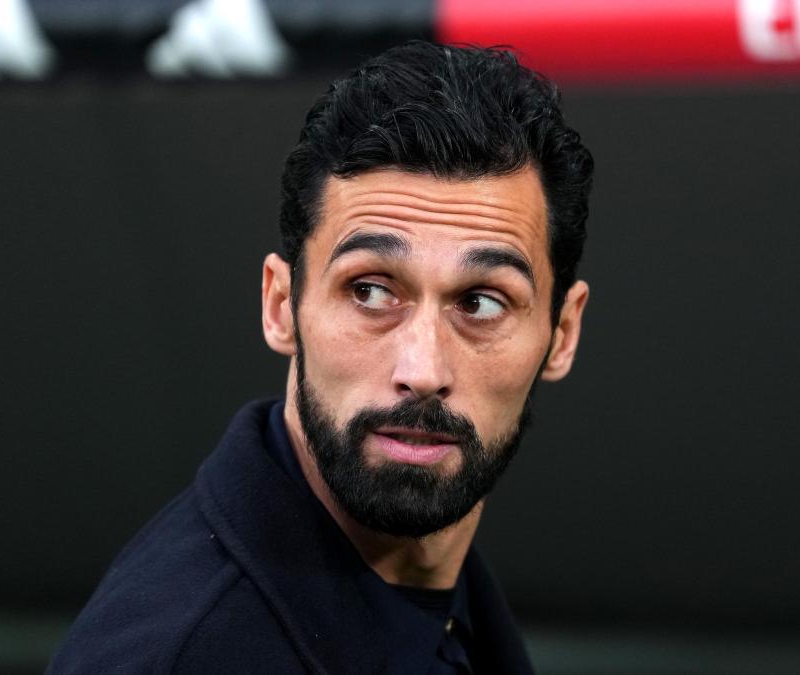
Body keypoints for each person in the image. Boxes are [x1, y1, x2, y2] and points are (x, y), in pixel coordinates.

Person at [48, 40, 592, 674]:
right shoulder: (181, 652)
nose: (422, 371)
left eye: (481, 303)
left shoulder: (444, 599)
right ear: (281, 306)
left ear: (562, 333)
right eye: (370, 292)